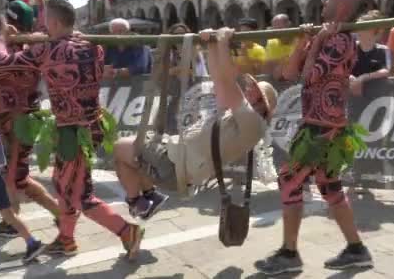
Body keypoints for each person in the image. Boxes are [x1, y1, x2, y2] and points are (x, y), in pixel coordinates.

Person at [0, 0, 144, 259]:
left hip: (73, 132)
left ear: (55, 23)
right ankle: (66, 239)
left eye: (47, 21)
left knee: (79, 195)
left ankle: (127, 231)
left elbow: (1, 65)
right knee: (65, 186)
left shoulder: (48, 51)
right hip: (91, 127)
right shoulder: (93, 46)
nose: (45, 26)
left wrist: (0, 39)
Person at [259, 0, 372, 276]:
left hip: (323, 126)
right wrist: (304, 41)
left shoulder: (341, 41)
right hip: (319, 122)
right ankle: (357, 249)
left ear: (343, 8)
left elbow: (309, 78)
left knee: (288, 179)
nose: (323, 3)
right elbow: (288, 74)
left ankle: (289, 253)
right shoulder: (325, 36)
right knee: (329, 185)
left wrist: (320, 41)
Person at [111, 27, 278, 218]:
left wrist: (222, 43)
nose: (249, 90)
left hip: (177, 165)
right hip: (177, 155)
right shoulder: (240, 116)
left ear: (262, 103)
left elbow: (227, 82)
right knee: (126, 159)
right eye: (251, 87)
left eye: (254, 90)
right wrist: (212, 45)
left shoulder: (253, 122)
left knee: (120, 147)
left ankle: (139, 202)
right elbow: (218, 79)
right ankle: (148, 197)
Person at [0, 0, 61, 238]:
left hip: (20, 121)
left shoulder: (19, 49)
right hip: (10, 120)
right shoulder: (31, 43)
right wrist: (40, 4)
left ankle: (60, 213)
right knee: (7, 174)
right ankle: (11, 221)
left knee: (16, 178)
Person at [350, 10, 391, 96]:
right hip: (353, 97)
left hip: (376, 98)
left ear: (374, 31)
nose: (358, 31)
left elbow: (386, 71)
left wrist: (364, 77)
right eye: (358, 27)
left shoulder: (383, 50)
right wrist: (351, 78)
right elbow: (342, 69)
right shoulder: (351, 48)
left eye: (363, 28)